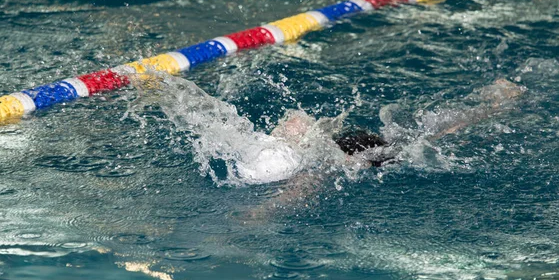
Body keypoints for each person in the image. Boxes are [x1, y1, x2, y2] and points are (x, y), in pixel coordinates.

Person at [160, 76, 525, 186]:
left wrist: (259, 215)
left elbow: (298, 193)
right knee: (427, 134)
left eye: (289, 125)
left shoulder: (318, 165)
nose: (285, 122)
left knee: (423, 139)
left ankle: (495, 105)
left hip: (366, 153)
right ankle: (495, 104)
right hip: (353, 143)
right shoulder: (308, 150)